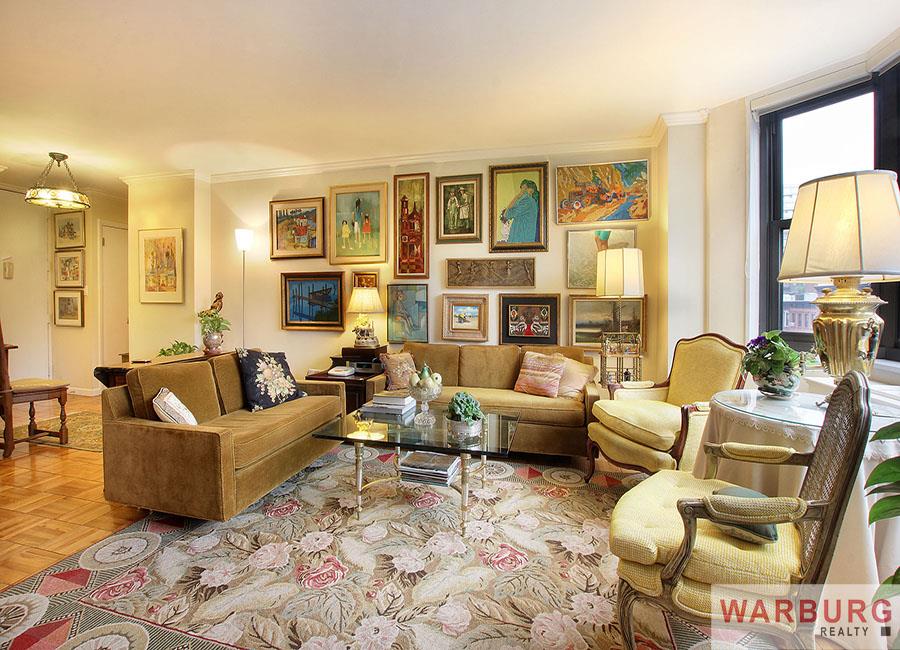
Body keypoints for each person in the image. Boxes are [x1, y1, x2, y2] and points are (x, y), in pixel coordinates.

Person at [500, 179, 540, 244]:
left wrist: (517, 196)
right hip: (525, 240)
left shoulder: (527, 200)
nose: (521, 191)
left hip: (519, 240)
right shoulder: (533, 203)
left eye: (523, 188)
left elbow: (507, 215)